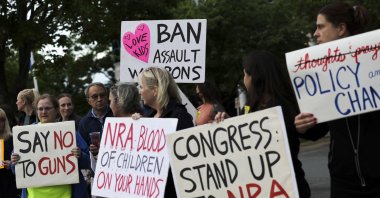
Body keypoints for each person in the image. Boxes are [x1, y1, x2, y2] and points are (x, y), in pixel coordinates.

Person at [294, 2, 380, 197]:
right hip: (343, 182)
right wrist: (303, 126)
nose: (315, 33)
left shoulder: (375, 63)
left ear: (340, 29)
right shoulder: (319, 76)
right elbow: (319, 129)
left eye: (320, 26)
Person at [216, 50, 311, 197]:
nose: (244, 79)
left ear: (255, 77)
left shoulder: (281, 107)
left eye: (245, 74)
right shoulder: (256, 106)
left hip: (286, 187)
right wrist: (231, 126)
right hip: (268, 188)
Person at [11, 94, 90, 198]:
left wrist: (80, 155)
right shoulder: (27, 134)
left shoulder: (68, 131)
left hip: (66, 194)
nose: (44, 112)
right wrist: (14, 160)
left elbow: (88, 161)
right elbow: (15, 169)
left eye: (47, 108)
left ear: (56, 110)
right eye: (40, 109)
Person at [138, 66, 194, 197]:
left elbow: (187, 160)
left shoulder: (179, 116)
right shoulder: (148, 117)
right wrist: (137, 127)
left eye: (141, 87)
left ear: (155, 90)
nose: (139, 92)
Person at [78, 82, 113, 155]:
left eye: (102, 95)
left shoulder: (116, 115)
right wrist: (90, 150)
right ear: (88, 101)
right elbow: (82, 149)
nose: (99, 99)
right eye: (95, 96)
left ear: (107, 97)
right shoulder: (84, 122)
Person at [0, 108, 18, 198]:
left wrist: (11, 165)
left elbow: (20, 161)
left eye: (2, 120)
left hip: (9, 185)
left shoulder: (12, 139)